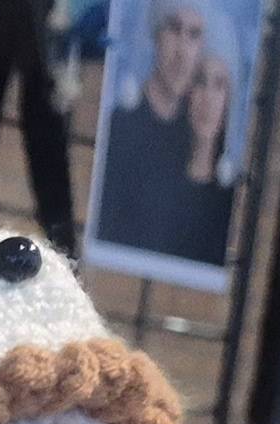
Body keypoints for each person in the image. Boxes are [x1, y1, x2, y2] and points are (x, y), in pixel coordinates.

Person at [97, 3, 238, 269]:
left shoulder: (190, 142)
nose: (182, 52)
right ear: (155, 35)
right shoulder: (120, 128)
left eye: (194, 35)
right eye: (174, 29)